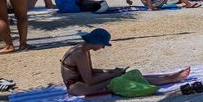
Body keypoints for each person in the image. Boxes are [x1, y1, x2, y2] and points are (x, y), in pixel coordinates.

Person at [60, 28, 191, 96]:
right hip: (78, 88)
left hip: (80, 82)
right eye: (103, 44)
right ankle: (170, 78)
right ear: (96, 42)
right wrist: (113, 75)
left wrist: (111, 71)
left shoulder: (82, 48)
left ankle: (169, 77)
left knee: (128, 74)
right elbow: (89, 80)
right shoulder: (80, 54)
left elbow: (89, 71)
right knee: (124, 78)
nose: (103, 47)